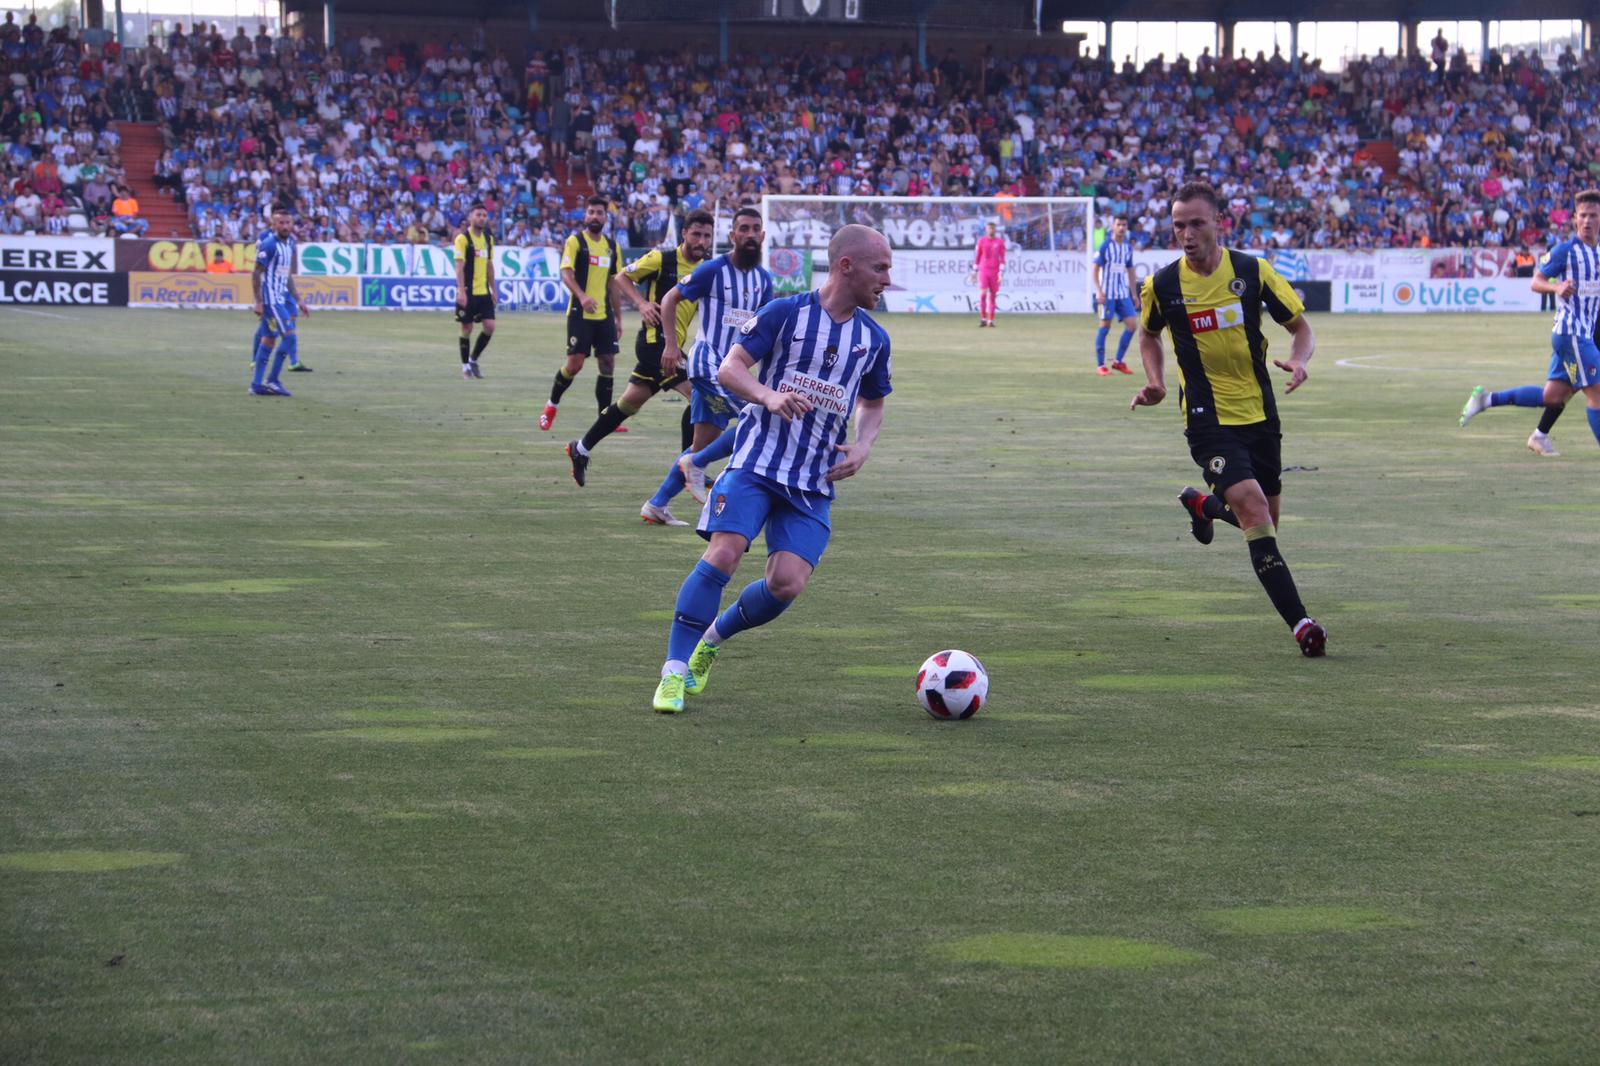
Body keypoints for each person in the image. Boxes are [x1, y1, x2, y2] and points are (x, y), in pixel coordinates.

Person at [650, 224, 894, 713]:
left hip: (813, 478)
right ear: (846, 265)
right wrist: (768, 394)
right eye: (880, 268)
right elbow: (729, 369)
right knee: (724, 554)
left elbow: (872, 401)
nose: (887, 279)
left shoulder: (873, 339)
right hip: (758, 462)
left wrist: (864, 446)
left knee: (786, 583)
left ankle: (711, 642)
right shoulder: (786, 313)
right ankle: (673, 674)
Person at [1129, 182, 1326, 658]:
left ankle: (1203, 506)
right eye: (1179, 225)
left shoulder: (1252, 271)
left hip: (1259, 413)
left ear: (1219, 222)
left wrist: (1300, 361)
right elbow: (1148, 335)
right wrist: (1155, 380)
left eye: (1196, 223)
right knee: (1256, 511)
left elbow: (1300, 327)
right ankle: (1302, 625)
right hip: (1206, 418)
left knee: (1265, 524)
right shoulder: (1163, 285)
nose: (1187, 234)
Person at [639, 206, 775, 526]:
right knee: (755, 419)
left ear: (763, 235)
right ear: (733, 236)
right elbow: (671, 299)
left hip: (733, 370)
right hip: (707, 363)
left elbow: (766, 330)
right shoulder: (713, 270)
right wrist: (671, 344)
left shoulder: (763, 281)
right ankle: (698, 466)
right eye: (744, 228)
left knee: (702, 443)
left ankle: (657, 504)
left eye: (756, 228)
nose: (751, 234)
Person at [565, 209, 715, 487]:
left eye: (707, 236)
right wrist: (641, 303)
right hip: (655, 344)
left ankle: (581, 449)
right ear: (684, 234)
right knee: (700, 398)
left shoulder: (708, 269)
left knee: (628, 403)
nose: (701, 241)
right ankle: (688, 465)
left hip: (672, 346)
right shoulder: (662, 258)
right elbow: (621, 277)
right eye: (696, 234)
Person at [1459, 190, 1600, 457]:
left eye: (1593, 215)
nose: (1588, 221)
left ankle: (1486, 400)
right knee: (1597, 394)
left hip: (1578, 337)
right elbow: (1536, 281)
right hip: (1572, 335)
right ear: (1574, 220)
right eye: (1583, 216)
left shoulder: (1597, 254)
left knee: (1553, 397)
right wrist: (1556, 287)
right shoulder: (1566, 251)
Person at [540, 196, 621, 431]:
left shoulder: (612, 247)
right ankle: (551, 404)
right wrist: (583, 296)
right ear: (585, 216)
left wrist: (618, 318)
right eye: (591, 212)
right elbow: (566, 273)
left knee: (608, 363)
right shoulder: (575, 242)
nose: (595, 216)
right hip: (579, 313)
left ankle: (605, 418)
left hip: (604, 315)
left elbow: (614, 283)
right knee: (574, 365)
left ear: (606, 217)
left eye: (599, 213)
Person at [249, 204, 311, 395]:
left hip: (279, 299)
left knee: (268, 340)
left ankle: (257, 385)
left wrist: (299, 299)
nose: (285, 226)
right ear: (273, 225)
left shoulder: (289, 244)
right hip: (271, 300)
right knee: (290, 337)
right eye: (281, 223)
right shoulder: (269, 244)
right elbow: (256, 273)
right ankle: (273, 379)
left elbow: (287, 276)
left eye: (287, 222)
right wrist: (258, 301)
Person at [453, 202, 497, 380]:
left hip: (484, 292)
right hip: (468, 291)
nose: (482, 218)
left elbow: (489, 265)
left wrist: (494, 289)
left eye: (484, 215)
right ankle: (465, 366)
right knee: (467, 327)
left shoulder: (488, 239)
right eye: (478, 215)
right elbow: (459, 267)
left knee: (490, 326)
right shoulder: (462, 239)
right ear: (471, 217)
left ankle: (473, 359)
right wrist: (461, 291)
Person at [1094, 216, 1139, 375]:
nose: (1121, 227)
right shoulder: (1106, 245)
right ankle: (1100, 365)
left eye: (1124, 224)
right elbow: (1095, 269)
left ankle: (1118, 361)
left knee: (1132, 325)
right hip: (1106, 296)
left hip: (1122, 293)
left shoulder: (1127, 247)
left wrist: (1134, 294)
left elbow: (1130, 270)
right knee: (1104, 327)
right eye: (1118, 224)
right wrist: (1098, 291)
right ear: (1113, 226)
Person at [972, 220, 1005, 327]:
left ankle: (991, 320)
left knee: (993, 296)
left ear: (995, 230)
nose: (991, 230)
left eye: (992, 228)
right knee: (982, 294)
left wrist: (1001, 272)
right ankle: (983, 319)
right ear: (986, 230)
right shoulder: (981, 241)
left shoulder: (999, 242)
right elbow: (977, 256)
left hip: (995, 271)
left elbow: (1002, 258)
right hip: (984, 270)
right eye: (989, 228)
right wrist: (975, 270)